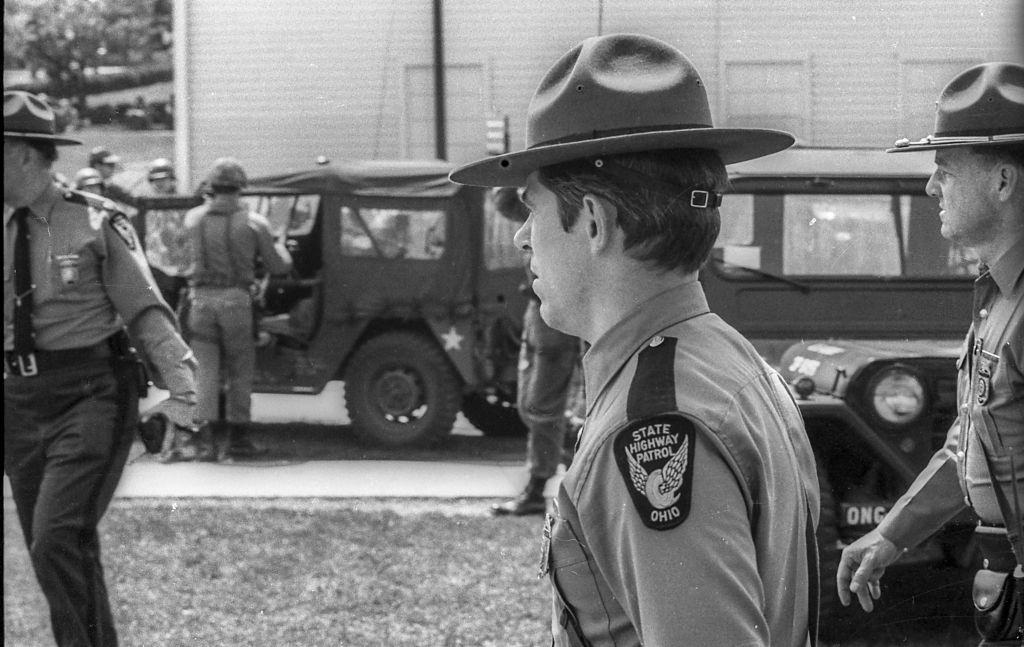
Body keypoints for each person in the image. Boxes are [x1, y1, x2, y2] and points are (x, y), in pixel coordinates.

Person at [450, 34, 820, 646]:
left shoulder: (653, 421)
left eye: (532, 212)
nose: (522, 240)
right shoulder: (727, 360)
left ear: (593, 222)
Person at [837, 62, 1024, 645]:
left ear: (1002, 181)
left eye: (944, 169)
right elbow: (973, 439)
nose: (929, 187)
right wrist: (892, 532)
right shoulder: (998, 295)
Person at [4, 90, 198, 647]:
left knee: (56, 539)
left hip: (90, 395)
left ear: (21, 154)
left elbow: (146, 313)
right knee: (56, 553)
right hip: (18, 402)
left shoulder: (94, 221)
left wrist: (183, 397)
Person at [183, 157, 292, 461]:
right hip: (236, 304)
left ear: (211, 188)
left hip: (200, 302)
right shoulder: (255, 223)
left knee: (205, 371)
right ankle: (237, 440)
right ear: (240, 189)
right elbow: (278, 266)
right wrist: (280, 245)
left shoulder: (192, 219)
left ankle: (205, 442)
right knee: (240, 371)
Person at [489, 186, 582, 516]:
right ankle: (576, 454)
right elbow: (503, 202)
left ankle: (537, 486)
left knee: (541, 407)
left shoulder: (558, 213)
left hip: (555, 316)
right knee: (530, 406)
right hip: (538, 313)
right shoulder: (535, 211)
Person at [135, 158, 190, 311]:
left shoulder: (185, 203)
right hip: (158, 266)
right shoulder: (146, 206)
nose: (159, 183)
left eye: (163, 179)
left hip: (184, 266)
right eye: (154, 180)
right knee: (165, 308)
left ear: (172, 180)